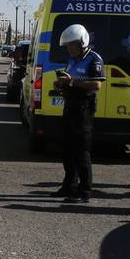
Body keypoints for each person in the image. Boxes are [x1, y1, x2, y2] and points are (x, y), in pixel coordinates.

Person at [52, 23, 105, 204]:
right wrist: (61, 83)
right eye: (67, 46)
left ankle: (84, 191)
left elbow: (97, 85)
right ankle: (69, 185)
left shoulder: (94, 59)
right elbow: (69, 77)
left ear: (82, 42)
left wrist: (72, 82)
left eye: (71, 45)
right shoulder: (72, 60)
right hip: (70, 107)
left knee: (81, 151)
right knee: (67, 149)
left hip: (84, 109)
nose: (68, 49)